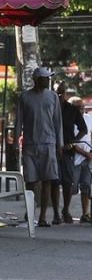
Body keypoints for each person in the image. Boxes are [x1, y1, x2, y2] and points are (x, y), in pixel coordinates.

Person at [14, 67, 63, 228]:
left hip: (49, 144)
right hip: (30, 144)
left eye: (48, 78)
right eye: (45, 78)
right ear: (36, 79)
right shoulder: (25, 97)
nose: (48, 81)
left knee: (47, 180)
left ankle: (42, 217)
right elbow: (19, 121)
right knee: (31, 181)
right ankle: (30, 212)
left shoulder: (53, 97)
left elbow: (57, 122)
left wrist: (60, 144)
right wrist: (16, 142)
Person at [55, 84, 87, 223]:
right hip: (53, 149)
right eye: (57, 93)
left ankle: (65, 210)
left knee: (67, 182)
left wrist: (73, 142)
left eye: (62, 93)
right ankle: (56, 212)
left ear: (66, 94)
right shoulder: (50, 108)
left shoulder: (72, 110)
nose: (60, 95)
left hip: (68, 150)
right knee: (54, 181)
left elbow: (83, 129)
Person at [69, 95, 92, 222]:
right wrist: (84, 153)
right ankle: (65, 212)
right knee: (71, 187)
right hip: (74, 158)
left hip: (87, 159)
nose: (81, 110)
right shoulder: (69, 120)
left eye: (83, 107)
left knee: (86, 186)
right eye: (78, 107)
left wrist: (90, 153)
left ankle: (85, 214)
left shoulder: (88, 119)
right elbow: (70, 142)